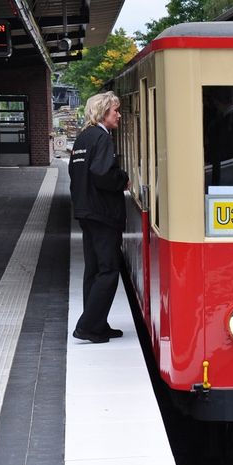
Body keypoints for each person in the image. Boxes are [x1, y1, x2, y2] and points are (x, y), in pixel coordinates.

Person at [69, 91, 129, 343]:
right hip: (103, 213)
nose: (118, 115)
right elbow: (102, 174)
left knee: (93, 271)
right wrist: (123, 178)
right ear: (104, 111)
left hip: (86, 211)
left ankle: (98, 324)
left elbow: (76, 172)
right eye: (115, 110)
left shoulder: (83, 137)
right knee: (108, 270)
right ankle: (87, 326)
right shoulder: (103, 138)